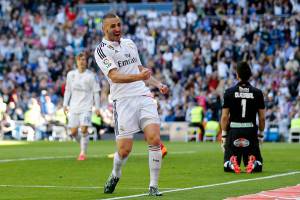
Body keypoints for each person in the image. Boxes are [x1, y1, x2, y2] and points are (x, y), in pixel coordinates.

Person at [94, 13, 169, 196]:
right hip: (123, 101)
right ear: (104, 29)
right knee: (125, 150)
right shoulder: (101, 50)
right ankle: (115, 173)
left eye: (119, 25)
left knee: (154, 139)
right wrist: (139, 77)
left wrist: (158, 84)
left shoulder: (129, 43)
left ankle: (153, 186)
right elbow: (114, 76)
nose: (117, 29)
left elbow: (140, 69)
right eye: (113, 26)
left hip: (143, 95)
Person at [220, 61, 265, 174]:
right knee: (258, 165)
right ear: (250, 75)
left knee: (227, 165)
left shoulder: (229, 92)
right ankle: (252, 160)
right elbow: (262, 118)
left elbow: (225, 117)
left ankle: (232, 161)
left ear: (237, 74)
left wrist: (224, 135)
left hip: (234, 130)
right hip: (250, 131)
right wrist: (260, 134)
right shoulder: (257, 93)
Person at [63, 52, 101, 160]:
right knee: (74, 132)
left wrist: (97, 108)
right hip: (74, 107)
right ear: (76, 61)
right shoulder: (71, 75)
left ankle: (82, 153)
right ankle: (83, 144)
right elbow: (68, 90)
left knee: (84, 129)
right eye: (80, 60)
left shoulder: (91, 76)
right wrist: (65, 104)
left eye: (84, 60)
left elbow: (96, 92)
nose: (82, 62)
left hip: (86, 107)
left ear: (87, 62)